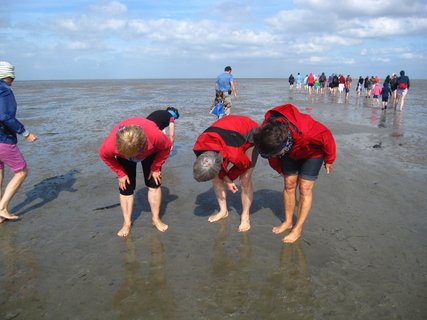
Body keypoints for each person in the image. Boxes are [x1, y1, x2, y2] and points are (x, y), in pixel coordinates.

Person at [253, 104, 336, 243]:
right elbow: (272, 156)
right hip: (289, 154)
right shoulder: (267, 132)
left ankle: (297, 228)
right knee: (289, 184)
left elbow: (326, 136)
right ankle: (288, 221)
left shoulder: (308, 131)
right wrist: (279, 169)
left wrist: (330, 159)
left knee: (304, 188)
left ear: (284, 145)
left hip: (312, 153)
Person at [99, 118, 172, 237]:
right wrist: (120, 173)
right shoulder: (111, 144)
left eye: (136, 155)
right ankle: (127, 223)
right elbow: (104, 155)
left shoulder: (154, 136)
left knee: (154, 183)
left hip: (150, 152)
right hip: (124, 156)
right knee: (125, 188)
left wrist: (156, 166)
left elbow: (167, 146)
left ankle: (156, 219)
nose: (135, 158)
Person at [193, 115, 259, 232]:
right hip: (228, 136)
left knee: (245, 179)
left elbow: (245, 164)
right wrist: (226, 179)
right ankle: (223, 211)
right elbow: (216, 168)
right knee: (217, 177)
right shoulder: (199, 147)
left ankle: (245, 216)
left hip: (251, 135)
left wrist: (229, 178)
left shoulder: (233, 153)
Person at [0, 61, 38, 224]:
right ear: (6, 76)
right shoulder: (5, 91)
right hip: (3, 139)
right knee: (21, 171)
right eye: (11, 77)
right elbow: (5, 116)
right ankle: (2, 208)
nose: (13, 80)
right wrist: (25, 133)